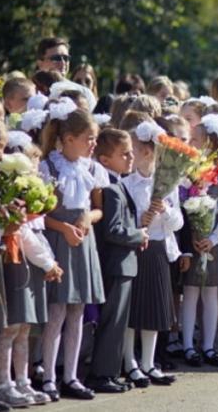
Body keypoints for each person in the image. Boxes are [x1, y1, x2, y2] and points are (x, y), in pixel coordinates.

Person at [38, 102, 108, 401]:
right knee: (57, 311)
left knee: (78, 310)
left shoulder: (92, 168)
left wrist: (87, 218)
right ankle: (49, 375)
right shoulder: (48, 167)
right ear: (69, 139)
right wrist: (64, 227)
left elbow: (98, 210)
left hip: (83, 242)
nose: (94, 144)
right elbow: (39, 214)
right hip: (59, 241)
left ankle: (71, 375)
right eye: (89, 139)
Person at [0, 139, 61, 406]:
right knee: (11, 327)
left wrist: (47, 261)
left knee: (24, 328)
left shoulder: (31, 197)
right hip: (16, 262)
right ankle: (3, 382)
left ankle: (23, 381)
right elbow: (23, 234)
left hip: (30, 263)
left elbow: (37, 233)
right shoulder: (12, 196)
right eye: (32, 170)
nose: (36, 175)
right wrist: (48, 263)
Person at [86, 129, 149, 394]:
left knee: (117, 321)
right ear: (104, 160)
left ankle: (109, 372)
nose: (130, 157)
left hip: (123, 263)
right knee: (112, 322)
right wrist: (138, 234)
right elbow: (112, 230)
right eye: (124, 154)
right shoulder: (111, 188)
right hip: (116, 263)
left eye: (131, 152)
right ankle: (101, 373)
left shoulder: (118, 182)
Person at [121, 121, 180, 387]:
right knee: (132, 310)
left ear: (147, 152)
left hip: (156, 249)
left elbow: (178, 223)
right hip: (134, 249)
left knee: (153, 311)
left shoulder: (167, 182)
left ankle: (148, 361)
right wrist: (139, 219)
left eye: (133, 149)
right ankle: (129, 362)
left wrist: (164, 210)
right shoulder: (127, 183)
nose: (130, 154)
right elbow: (120, 219)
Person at [180, 113, 218, 367]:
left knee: (211, 293)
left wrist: (212, 238)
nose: (191, 144)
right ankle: (188, 346)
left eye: (195, 139)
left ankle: (209, 346)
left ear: (211, 144)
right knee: (190, 292)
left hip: (215, 241)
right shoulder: (188, 171)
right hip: (192, 238)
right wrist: (193, 234)